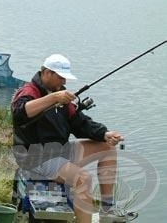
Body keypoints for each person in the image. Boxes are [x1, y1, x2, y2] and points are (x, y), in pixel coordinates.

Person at [11, 54, 137, 223]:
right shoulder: (29, 92)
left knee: (108, 148)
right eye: (61, 78)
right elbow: (20, 112)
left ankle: (108, 208)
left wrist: (104, 134)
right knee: (83, 178)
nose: (64, 83)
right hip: (36, 157)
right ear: (47, 73)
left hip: (59, 151)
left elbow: (79, 123)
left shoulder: (60, 95)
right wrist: (54, 98)